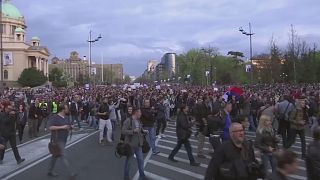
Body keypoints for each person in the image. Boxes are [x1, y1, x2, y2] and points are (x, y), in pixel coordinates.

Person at [47, 102, 77, 180]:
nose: (68, 110)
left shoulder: (66, 117)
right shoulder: (55, 117)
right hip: (57, 140)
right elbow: (50, 127)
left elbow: (68, 126)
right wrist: (62, 127)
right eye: (67, 108)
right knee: (63, 156)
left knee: (55, 155)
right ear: (63, 110)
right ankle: (71, 174)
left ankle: (50, 171)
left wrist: (71, 127)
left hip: (64, 139)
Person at [122, 108, 149, 180]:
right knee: (129, 162)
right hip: (130, 145)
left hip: (139, 145)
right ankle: (126, 177)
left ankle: (142, 175)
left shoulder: (139, 120)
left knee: (141, 161)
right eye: (139, 112)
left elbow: (140, 129)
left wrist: (144, 131)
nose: (141, 114)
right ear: (135, 113)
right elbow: (123, 131)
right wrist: (132, 131)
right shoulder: (128, 120)